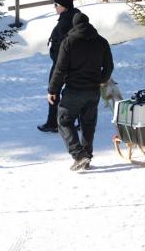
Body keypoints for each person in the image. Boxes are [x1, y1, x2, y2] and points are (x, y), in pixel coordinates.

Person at [48, 12, 114, 171]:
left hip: (74, 90)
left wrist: (53, 89)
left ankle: (79, 154)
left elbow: (60, 69)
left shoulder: (69, 42)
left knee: (64, 120)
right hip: (93, 91)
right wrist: (101, 80)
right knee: (88, 124)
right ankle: (87, 156)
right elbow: (109, 66)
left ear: (74, 25)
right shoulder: (101, 41)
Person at [37, 0, 79, 133]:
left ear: (64, 6)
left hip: (61, 64)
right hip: (72, 63)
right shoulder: (74, 17)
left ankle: (53, 123)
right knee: (73, 90)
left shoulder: (66, 22)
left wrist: (59, 62)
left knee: (53, 91)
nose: (54, 7)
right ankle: (76, 121)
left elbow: (64, 45)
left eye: (56, 5)